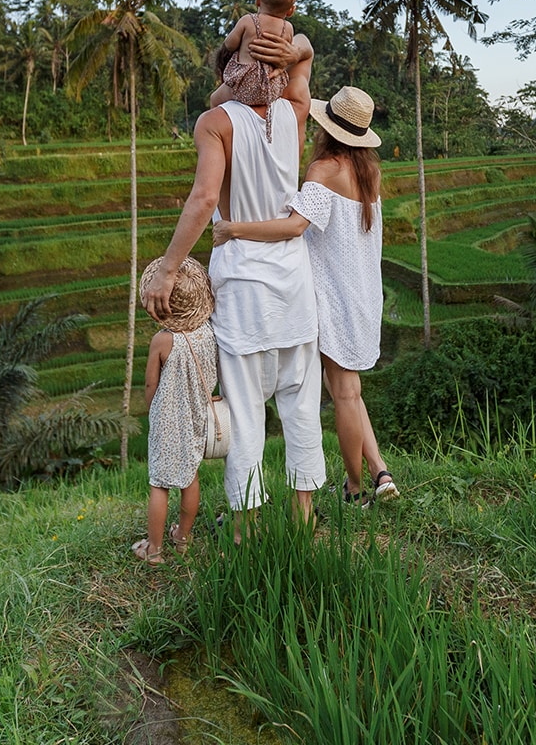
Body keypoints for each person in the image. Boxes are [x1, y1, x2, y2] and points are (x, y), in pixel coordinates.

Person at [141, 41, 324, 538]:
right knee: (301, 407)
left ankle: (244, 527)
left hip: (244, 290)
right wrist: (282, 46)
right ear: (280, 67)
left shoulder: (214, 123)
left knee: (244, 414)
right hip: (294, 287)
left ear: (228, 73)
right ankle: (304, 518)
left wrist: (168, 269)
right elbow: (304, 52)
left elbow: (204, 198)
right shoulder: (295, 110)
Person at [212, 85, 398, 506]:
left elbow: (295, 226)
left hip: (333, 295)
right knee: (349, 389)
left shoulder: (324, 169)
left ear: (327, 128)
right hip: (364, 291)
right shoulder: (369, 172)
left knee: (344, 393)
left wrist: (233, 229)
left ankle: (354, 489)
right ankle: (379, 472)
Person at [131, 255, 219, 565]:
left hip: (168, 417)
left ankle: (154, 550)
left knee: (160, 483)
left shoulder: (162, 341)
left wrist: (152, 410)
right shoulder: (209, 333)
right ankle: (182, 538)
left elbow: (150, 384)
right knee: (189, 476)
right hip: (196, 414)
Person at [210, 0, 311, 138]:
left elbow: (229, 44)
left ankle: (221, 133)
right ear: (291, 10)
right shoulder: (288, 28)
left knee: (215, 99)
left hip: (244, 86)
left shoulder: (248, 20)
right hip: (272, 89)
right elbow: (284, 53)